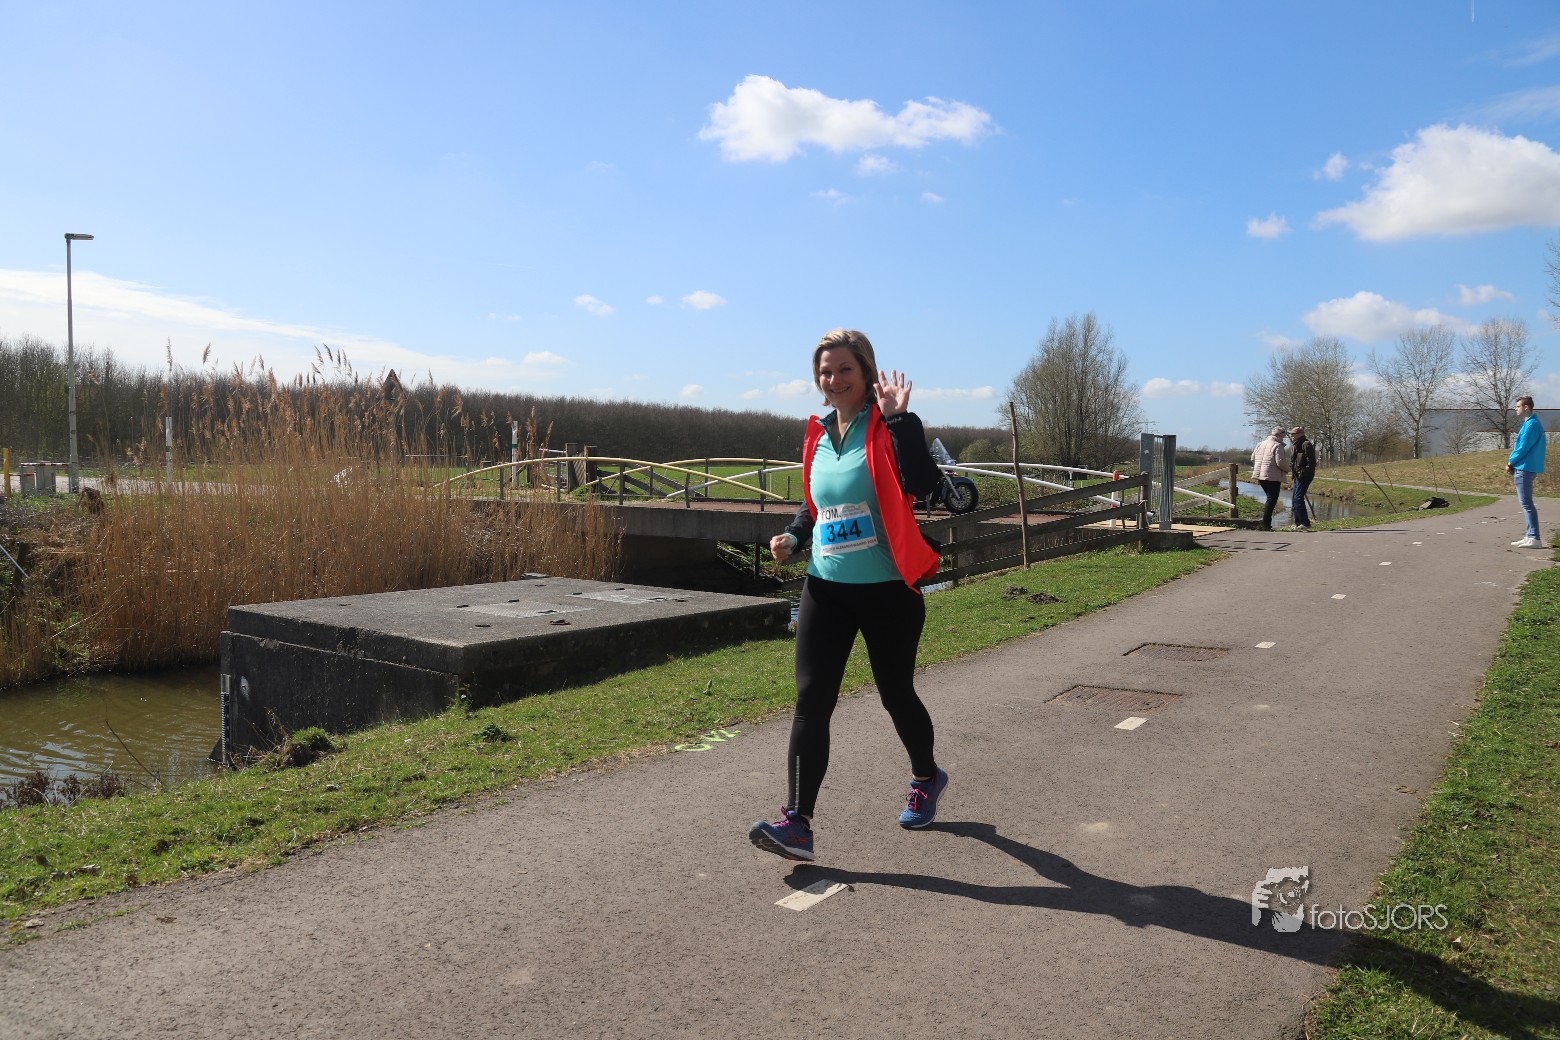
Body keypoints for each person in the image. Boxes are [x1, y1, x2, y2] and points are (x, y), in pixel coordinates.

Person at [748, 329, 948, 862]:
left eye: (844, 370)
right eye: (825, 371)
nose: (833, 380)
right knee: (812, 701)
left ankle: (926, 777)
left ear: (866, 373)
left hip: (887, 590)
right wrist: (795, 537)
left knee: (895, 694)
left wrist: (901, 419)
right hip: (825, 587)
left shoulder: (888, 426)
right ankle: (797, 823)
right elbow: (817, 506)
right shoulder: (817, 433)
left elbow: (924, 484)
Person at [1506, 395, 1546, 549]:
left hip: (1525, 467)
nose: (1516, 409)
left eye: (1518, 406)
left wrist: (1510, 462)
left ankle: (1534, 537)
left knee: (1527, 504)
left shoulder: (1531, 425)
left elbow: (1523, 447)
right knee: (1526, 504)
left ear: (1526, 407)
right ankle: (1530, 536)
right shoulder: (1529, 424)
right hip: (1525, 467)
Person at [1251, 426, 1290, 531]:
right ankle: (1266, 524)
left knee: (1270, 498)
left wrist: (1260, 465)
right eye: (1283, 434)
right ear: (1279, 435)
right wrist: (1288, 469)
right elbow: (1280, 462)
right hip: (1273, 476)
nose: (1284, 437)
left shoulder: (1260, 444)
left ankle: (1265, 523)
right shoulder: (1278, 445)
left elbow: (1252, 458)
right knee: (1272, 499)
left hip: (1260, 475)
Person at [1287, 426, 1316, 531]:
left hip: (1304, 476)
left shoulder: (1306, 444)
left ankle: (1305, 523)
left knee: (1298, 498)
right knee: (1295, 499)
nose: (1291, 436)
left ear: (1300, 434)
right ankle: (1298, 523)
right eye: (1291, 434)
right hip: (1297, 476)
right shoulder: (1295, 446)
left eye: (1293, 434)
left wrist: (1303, 473)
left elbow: (1311, 462)